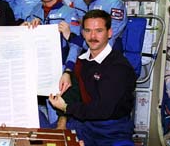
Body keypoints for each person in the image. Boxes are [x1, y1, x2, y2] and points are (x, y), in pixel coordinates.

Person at [49, 9, 136, 146]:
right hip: (86, 125)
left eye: (99, 31)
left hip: (114, 131)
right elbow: (74, 92)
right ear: (83, 33)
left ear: (109, 33)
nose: (93, 36)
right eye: (88, 31)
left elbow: (103, 110)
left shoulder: (119, 67)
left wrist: (67, 107)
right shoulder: (82, 61)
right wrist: (62, 120)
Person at [26, 0, 82, 125]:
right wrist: (26, 28)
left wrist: (68, 71)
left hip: (58, 72)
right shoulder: (34, 11)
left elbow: (76, 46)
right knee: (32, 117)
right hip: (36, 71)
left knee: (56, 116)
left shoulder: (69, 13)